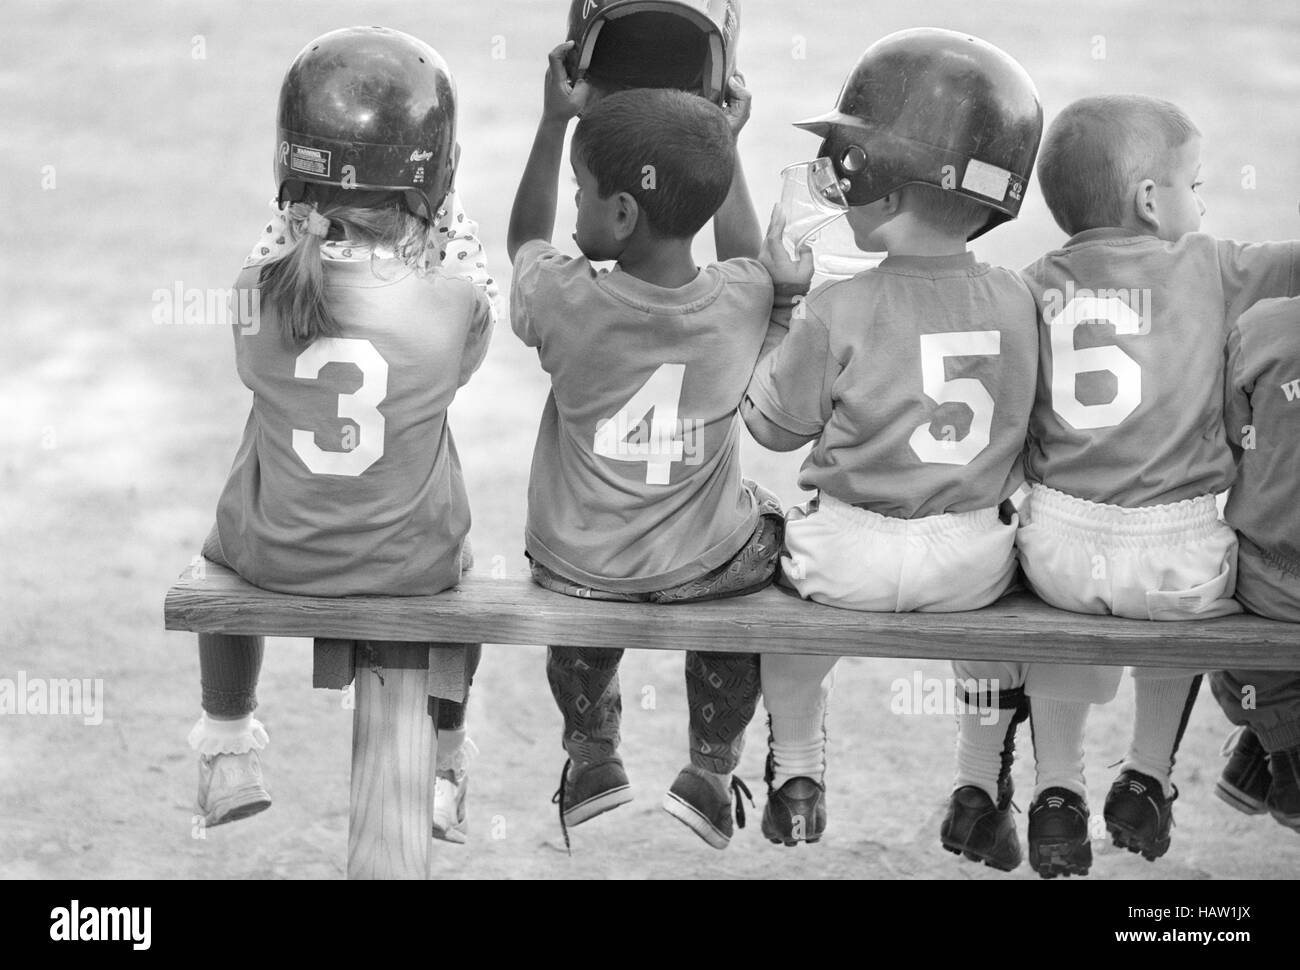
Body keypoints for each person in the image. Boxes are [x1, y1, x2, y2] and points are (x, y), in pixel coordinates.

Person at [742, 28, 1043, 864]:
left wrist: (780, 310)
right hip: (968, 559)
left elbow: (769, 427)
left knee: (791, 629)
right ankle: (981, 785)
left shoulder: (838, 308)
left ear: (878, 179)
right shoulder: (1019, 299)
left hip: (849, 551)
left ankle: (797, 769)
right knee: (1004, 642)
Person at [189, 27, 493, 847]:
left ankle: (227, 744)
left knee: (218, 552)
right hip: (410, 565)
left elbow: (268, 325)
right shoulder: (449, 301)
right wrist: (446, 215)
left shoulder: (260, 288)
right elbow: (466, 349)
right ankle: (444, 765)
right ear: (438, 176)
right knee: (461, 571)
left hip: (274, 554)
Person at [507, 43, 782, 851]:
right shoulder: (743, 300)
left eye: (583, 193)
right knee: (763, 546)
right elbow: (750, 259)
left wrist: (554, 121)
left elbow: (524, 238)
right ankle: (708, 766)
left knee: (569, 571)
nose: (572, 208)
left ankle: (593, 755)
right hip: (704, 567)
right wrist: (726, 146)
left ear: (622, 214)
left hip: (580, 566)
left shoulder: (564, 297)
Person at [1016, 94, 1300, 876]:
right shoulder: (1209, 265)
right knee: (1200, 583)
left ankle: (1057, 790)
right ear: (1151, 199)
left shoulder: (1034, 282)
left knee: (1052, 613)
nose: (1203, 203)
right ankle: (1148, 771)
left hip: (1060, 551)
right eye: (1196, 186)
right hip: (1178, 557)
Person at [1210, 295, 1300, 833]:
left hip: (1275, 583)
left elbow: (1230, 445)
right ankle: (1275, 753)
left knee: (1221, 601)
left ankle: (1279, 749)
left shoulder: (1263, 327)